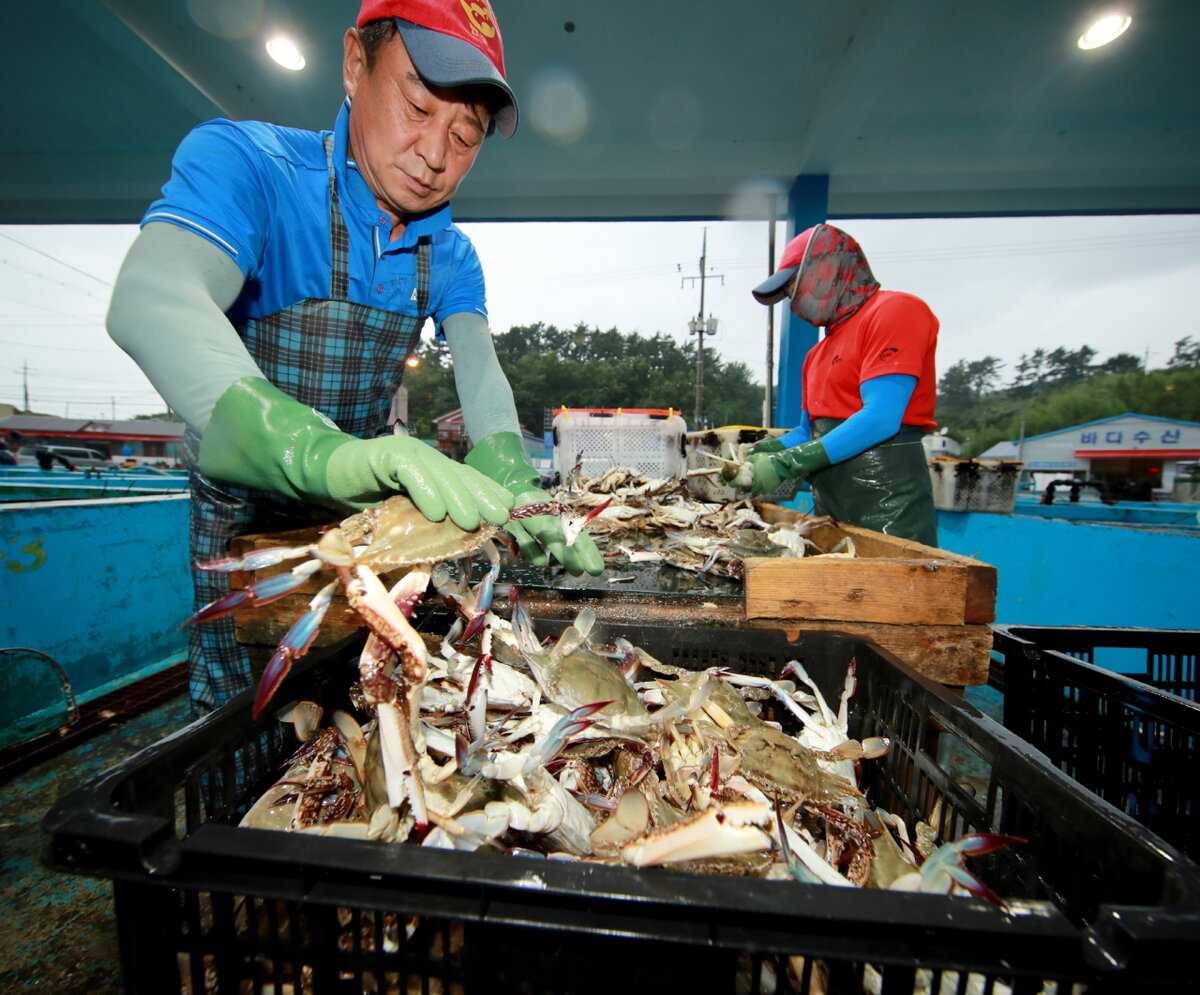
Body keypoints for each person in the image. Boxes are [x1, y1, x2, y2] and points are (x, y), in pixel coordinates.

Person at [107, 0, 604, 720]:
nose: (435, 154)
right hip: (243, 525)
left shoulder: (451, 257)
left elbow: (482, 379)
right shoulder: (253, 170)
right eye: (416, 105)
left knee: (361, 706)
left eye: (465, 137)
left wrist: (514, 479)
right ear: (354, 64)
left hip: (365, 523)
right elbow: (151, 296)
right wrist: (313, 449)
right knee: (242, 718)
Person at [739, 223, 939, 546]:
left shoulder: (894, 311)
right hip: (830, 513)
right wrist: (763, 451)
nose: (793, 303)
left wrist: (787, 463)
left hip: (890, 512)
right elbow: (808, 432)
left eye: (793, 288)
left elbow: (881, 418)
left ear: (826, 269)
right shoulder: (816, 355)